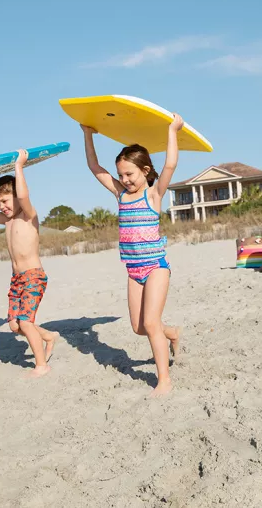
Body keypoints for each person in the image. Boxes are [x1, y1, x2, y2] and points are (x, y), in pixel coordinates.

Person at [81, 116, 183, 397]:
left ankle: (164, 380)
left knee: (150, 323)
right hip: (133, 270)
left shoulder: (153, 194)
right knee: (140, 328)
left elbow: (170, 164)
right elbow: (94, 167)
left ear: (145, 170)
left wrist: (172, 131)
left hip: (156, 267)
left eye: (130, 174)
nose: (125, 180)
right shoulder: (120, 195)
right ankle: (171, 333)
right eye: (122, 175)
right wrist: (88, 134)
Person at [0, 150, 59, 378]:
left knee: (26, 323)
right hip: (16, 280)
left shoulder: (28, 216)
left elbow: (24, 196)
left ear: (17, 196)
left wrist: (19, 166)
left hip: (33, 276)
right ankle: (48, 336)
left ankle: (41, 365)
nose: (1, 206)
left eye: (5, 200)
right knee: (15, 326)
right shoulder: (6, 220)